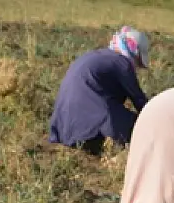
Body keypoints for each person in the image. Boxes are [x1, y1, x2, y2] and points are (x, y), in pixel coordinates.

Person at [48, 26, 151, 155]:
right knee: (138, 128)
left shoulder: (98, 56)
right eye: (138, 62)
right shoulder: (122, 63)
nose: (136, 67)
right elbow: (140, 101)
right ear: (133, 52)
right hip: (91, 120)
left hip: (64, 127)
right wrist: (157, 121)